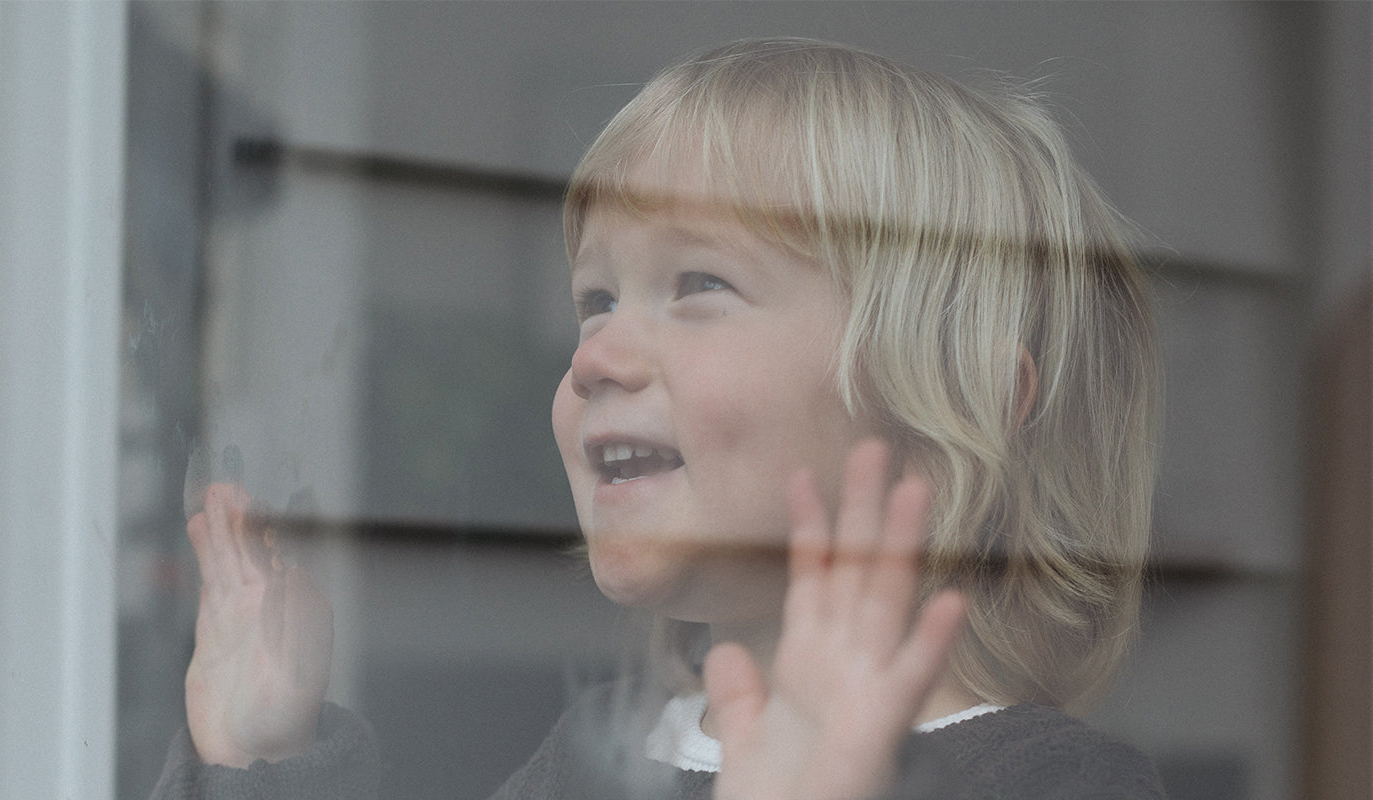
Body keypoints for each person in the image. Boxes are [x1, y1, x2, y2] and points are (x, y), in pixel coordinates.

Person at [154, 38, 1166, 799]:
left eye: (697, 283)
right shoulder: (592, 756)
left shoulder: (1054, 782)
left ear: (967, 401)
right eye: (596, 301)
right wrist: (262, 757)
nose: (595, 357)